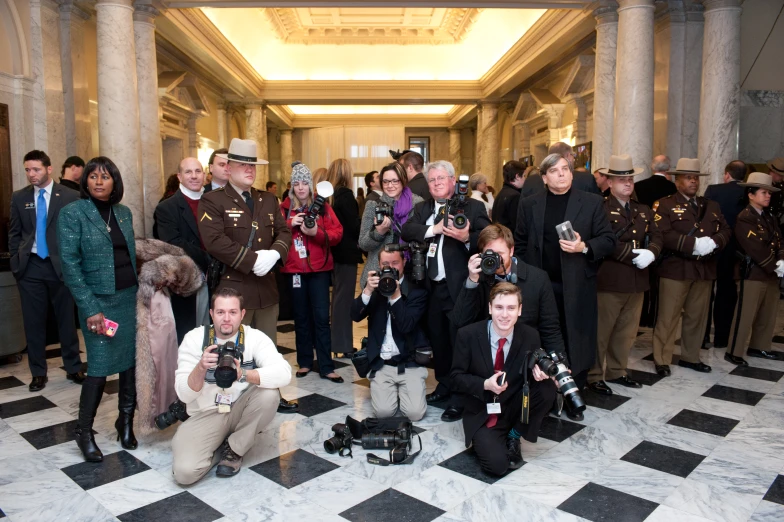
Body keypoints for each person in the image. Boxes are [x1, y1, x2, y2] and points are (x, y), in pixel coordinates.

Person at [198, 139, 297, 414]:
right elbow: (214, 241)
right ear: (228, 168)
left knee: (268, 349)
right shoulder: (213, 200)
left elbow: (284, 232)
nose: (249, 170)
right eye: (243, 164)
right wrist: (254, 260)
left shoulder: (267, 199)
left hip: (266, 289)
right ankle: (229, 398)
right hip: (235, 291)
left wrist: (275, 254)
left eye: (252, 165)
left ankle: (272, 397)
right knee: (231, 351)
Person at [514, 153, 616, 419]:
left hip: (576, 285)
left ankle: (574, 394)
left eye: (566, 169)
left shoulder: (592, 202)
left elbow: (608, 240)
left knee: (576, 339)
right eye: (555, 170)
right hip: (540, 285)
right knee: (542, 338)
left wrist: (584, 247)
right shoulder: (530, 204)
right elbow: (521, 244)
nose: (562, 174)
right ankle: (545, 396)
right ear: (544, 177)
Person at [58, 156, 139, 461]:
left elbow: (131, 254)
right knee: (100, 368)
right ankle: (83, 430)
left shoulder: (124, 213)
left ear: (114, 182)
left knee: (130, 364)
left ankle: (126, 422)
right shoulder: (73, 213)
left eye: (105, 177)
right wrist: (90, 308)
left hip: (128, 298)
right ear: (85, 181)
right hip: (98, 304)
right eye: (93, 176)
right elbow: (70, 265)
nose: (99, 181)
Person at [401, 160, 491, 422]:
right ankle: (444, 383)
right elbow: (407, 231)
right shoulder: (423, 208)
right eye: (432, 180)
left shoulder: (473, 206)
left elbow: (488, 237)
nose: (437, 183)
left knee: (459, 342)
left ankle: (460, 396)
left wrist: (466, 238)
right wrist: (434, 229)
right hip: (430, 288)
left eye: (442, 178)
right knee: (438, 340)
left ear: (454, 181)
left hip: (461, 288)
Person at [172, 288, 291, 484]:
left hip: (240, 407)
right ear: (211, 314)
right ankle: (223, 443)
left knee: (269, 394)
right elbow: (184, 396)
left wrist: (244, 374)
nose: (226, 318)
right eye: (220, 312)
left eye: (233, 312)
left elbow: (284, 373)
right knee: (185, 473)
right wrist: (201, 368)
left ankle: (235, 448)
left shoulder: (255, 338)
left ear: (242, 314)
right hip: (205, 414)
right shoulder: (194, 339)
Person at [451, 283, 557, 476]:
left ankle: (514, 435)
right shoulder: (467, 335)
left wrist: (539, 373)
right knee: (497, 467)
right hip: (484, 410)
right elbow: (456, 378)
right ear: (490, 308)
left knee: (547, 387)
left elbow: (531, 371)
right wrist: (484, 384)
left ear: (520, 310)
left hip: (514, 404)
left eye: (511, 308)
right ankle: (488, 439)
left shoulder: (530, 335)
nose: (505, 315)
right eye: (499, 307)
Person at [588, 155, 663, 395]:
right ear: (610, 183)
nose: (627, 184)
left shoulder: (643, 210)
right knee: (602, 332)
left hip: (637, 280)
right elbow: (603, 240)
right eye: (621, 180)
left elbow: (658, 235)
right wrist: (633, 255)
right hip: (610, 279)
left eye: (630, 179)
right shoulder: (600, 207)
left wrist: (651, 252)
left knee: (627, 331)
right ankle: (594, 374)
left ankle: (617, 371)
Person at [10, 150, 83, 391]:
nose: (32, 174)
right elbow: (15, 233)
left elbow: (79, 232)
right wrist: (16, 261)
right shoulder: (20, 198)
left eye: (36, 169)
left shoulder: (70, 196)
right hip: (30, 267)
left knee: (66, 320)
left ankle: (73, 367)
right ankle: (38, 373)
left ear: (49, 169)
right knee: (33, 322)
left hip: (61, 267)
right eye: (28, 170)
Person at [652, 158, 730, 377]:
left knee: (697, 316)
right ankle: (662, 358)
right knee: (668, 317)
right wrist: (693, 244)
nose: (693, 182)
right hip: (676, 269)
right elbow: (663, 234)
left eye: (696, 178)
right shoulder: (664, 204)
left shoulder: (711, 205)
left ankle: (690, 356)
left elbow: (726, 230)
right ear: (677, 181)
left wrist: (713, 243)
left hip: (704, 269)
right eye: (688, 177)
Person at [451, 224, 563, 355]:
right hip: (486, 353)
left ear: (511, 251)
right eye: (490, 254)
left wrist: (559, 364)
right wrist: (472, 281)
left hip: (524, 351)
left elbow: (550, 327)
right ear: (481, 254)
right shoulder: (477, 276)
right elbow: (460, 322)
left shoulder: (538, 278)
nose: (495, 259)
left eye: (500, 254)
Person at [280, 161, 344, 382]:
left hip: (319, 269)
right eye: (296, 183)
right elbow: (274, 234)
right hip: (295, 270)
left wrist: (316, 231)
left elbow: (337, 234)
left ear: (310, 185)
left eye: (304, 183)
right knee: (301, 318)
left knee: (320, 318)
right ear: (291, 186)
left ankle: (326, 366)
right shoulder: (285, 207)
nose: (300, 187)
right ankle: (305, 362)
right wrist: (290, 223)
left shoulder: (323, 206)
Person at [350, 249, 429, 421]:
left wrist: (395, 295)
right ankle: (387, 388)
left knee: (415, 414)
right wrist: (368, 291)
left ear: (404, 263)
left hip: (409, 362)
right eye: (386, 264)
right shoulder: (375, 289)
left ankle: (408, 388)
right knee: (383, 413)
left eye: (395, 263)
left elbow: (406, 325)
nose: (390, 268)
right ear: (379, 265)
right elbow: (355, 316)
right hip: (382, 363)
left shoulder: (416, 291)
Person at [726, 173, 784, 365]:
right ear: (751, 195)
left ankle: (760, 346)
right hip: (752, 273)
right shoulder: (745, 217)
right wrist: (776, 266)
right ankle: (734, 351)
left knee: (767, 314)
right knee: (745, 314)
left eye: (769, 193)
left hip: (771, 274)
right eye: (764, 192)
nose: (768, 196)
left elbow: (779, 241)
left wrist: (782, 260)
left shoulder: (770, 217)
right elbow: (755, 248)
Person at [154, 157, 211, 341]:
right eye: (188, 172)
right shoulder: (167, 208)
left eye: (198, 171)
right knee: (189, 334)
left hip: (218, 277)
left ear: (204, 174)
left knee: (215, 330)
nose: (194, 176)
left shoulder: (214, 203)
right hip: (187, 281)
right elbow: (174, 243)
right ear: (179, 176)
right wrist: (212, 258)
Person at [703, 160, 748, 349]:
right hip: (735, 250)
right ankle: (722, 339)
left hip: (714, 247)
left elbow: (703, 217)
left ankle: (703, 337)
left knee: (705, 294)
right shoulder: (747, 192)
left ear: (726, 174)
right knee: (727, 294)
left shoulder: (714, 190)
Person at [358, 161, 424, 289]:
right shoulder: (373, 205)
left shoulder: (418, 204)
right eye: (386, 181)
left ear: (403, 180)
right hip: (379, 273)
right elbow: (363, 244)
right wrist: (379, 233)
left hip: (410, 271)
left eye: (395, 181)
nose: (390, 185)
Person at [327, 158, 364, 357]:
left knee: (337, 300)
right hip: (346, 253)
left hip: (334, 253)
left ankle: (338, 343)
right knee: (344, 300)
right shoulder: (346, 195)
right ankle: (342, 345)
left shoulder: (330, 196)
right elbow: (354, 226)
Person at [637, 156, 677, 328]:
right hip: (664, 241)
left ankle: (642, 317)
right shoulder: (673, 188)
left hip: (641, 237)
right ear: (668, 168)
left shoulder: (639, 186)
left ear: (652, 167)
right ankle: (654, 317)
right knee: (659, 283)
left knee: (643, 278)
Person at [492, 160, 525, 230]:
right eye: (524, 176)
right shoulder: (515, 196)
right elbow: (517, 225)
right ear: (517, 176)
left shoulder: (502, 193)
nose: (525, 179)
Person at [766, 158, 784, 222]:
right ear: (774, 173)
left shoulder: (780, 185)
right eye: (780, 175)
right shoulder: (764, 185)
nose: (782, 178)